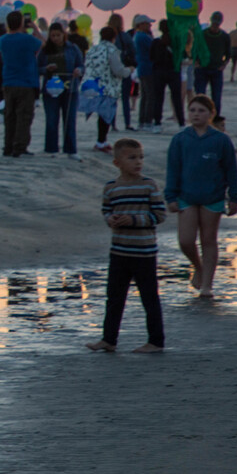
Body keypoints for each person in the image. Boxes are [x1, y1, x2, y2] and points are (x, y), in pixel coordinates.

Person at [86, 139, 167, 354]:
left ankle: (156, 341)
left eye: (141, 157)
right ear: (117, 162)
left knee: (149, 297)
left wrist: (133, 220)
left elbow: (159, 215)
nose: (138, 162)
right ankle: (109, 339)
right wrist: (110, 219)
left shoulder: (149, 185)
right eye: (132, 158)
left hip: (144, 252)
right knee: (114, 297)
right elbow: (106, 210)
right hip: (119, 251)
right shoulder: (111, 188)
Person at [165, 95, 237, 300]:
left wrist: (234, 197)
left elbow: (231, 170)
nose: (196, 114)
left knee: (208, 240)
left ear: (211, 114)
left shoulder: (221, 140)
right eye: (192, 110)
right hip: (186, 196)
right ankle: (198, 267)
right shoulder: (180, 139)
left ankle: (207, 285)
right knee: (185, 241)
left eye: (201, 111)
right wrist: (170, 196)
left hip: (213, 197)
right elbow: (173, 169)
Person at [0, 9, 43, 157]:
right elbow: (43, 44)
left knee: (10, 116)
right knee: (24, 116)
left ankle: (8, 145)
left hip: (9, 81)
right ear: (21, 23)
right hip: (26, 81)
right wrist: (35, 29)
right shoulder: (27, 39)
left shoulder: (3, 40)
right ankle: (19, 146)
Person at [37, 21, 84, 156]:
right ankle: (51, 149)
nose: (56, 38)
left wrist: (78, 70)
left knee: (70, 120)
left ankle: (70, 150)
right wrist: (46, 69)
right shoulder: (45, 50)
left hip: (70, 89)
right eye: (53, 36)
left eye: (58, 35)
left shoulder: (73, 48)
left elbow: (81, 65)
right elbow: (37, 68)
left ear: (64, 34)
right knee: (52, 120)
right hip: (51, 89)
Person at [145, 20, 184, 129]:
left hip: (159, 72)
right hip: (173, 72)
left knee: (158, 98)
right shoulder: (176, 42)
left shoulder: (156, 42)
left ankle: (157, 123)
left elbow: (151, 57)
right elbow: (182, 55)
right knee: (177, 98)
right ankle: (181, 123)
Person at [194, 12, 228, 115]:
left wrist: (224, 65)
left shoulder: (224, 36)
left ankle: (215, 117)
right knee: (200, 96)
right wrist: (196, 62)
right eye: (214, 23)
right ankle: (200, 117)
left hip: (216, 69)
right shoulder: (202, 34)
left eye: (217, 24)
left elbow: (228, 53)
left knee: (216, 97)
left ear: (220, 23)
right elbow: (195, 49)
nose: (215, 26)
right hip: (202, 69)